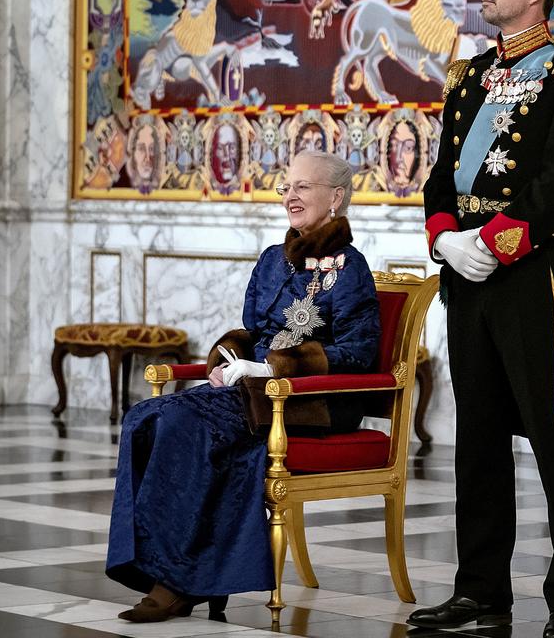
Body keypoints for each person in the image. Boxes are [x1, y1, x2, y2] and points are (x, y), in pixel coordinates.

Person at [409, 0, 554, 638]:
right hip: (468, 278)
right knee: (480, 441)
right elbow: (440, 179)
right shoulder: (467, 77)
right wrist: (446, 240)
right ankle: (481, 591)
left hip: (533, 277)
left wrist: (493, 244)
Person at [105, 150, 381, 623]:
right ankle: (170, 570)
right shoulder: (274, 260)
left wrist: (272, 369)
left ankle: (174, 580)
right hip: (250, 394)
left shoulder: (350, 269)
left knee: (181, 423)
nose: (290, 196)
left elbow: (358, 353)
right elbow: (251, 329)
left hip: (310, 403)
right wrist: (229, 359)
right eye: (286, 186)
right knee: (146, 417)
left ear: (336, 197)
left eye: (303, 187)